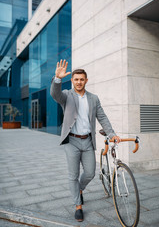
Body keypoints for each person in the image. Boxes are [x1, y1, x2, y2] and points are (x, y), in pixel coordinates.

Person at [50, 59, 121, 222]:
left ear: (86, 81)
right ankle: (78, 206)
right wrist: (57, 79)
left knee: (90, 172)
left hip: (88, 141)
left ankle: (79, 190)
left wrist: (112, 134)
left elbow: (102, 117)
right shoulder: (66, 95)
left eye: (82, 79)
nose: (79, 82)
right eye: (76, 79)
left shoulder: (94, 98)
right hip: (72, 142)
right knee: (73, 175)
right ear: (72, 81)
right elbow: (55, 94)